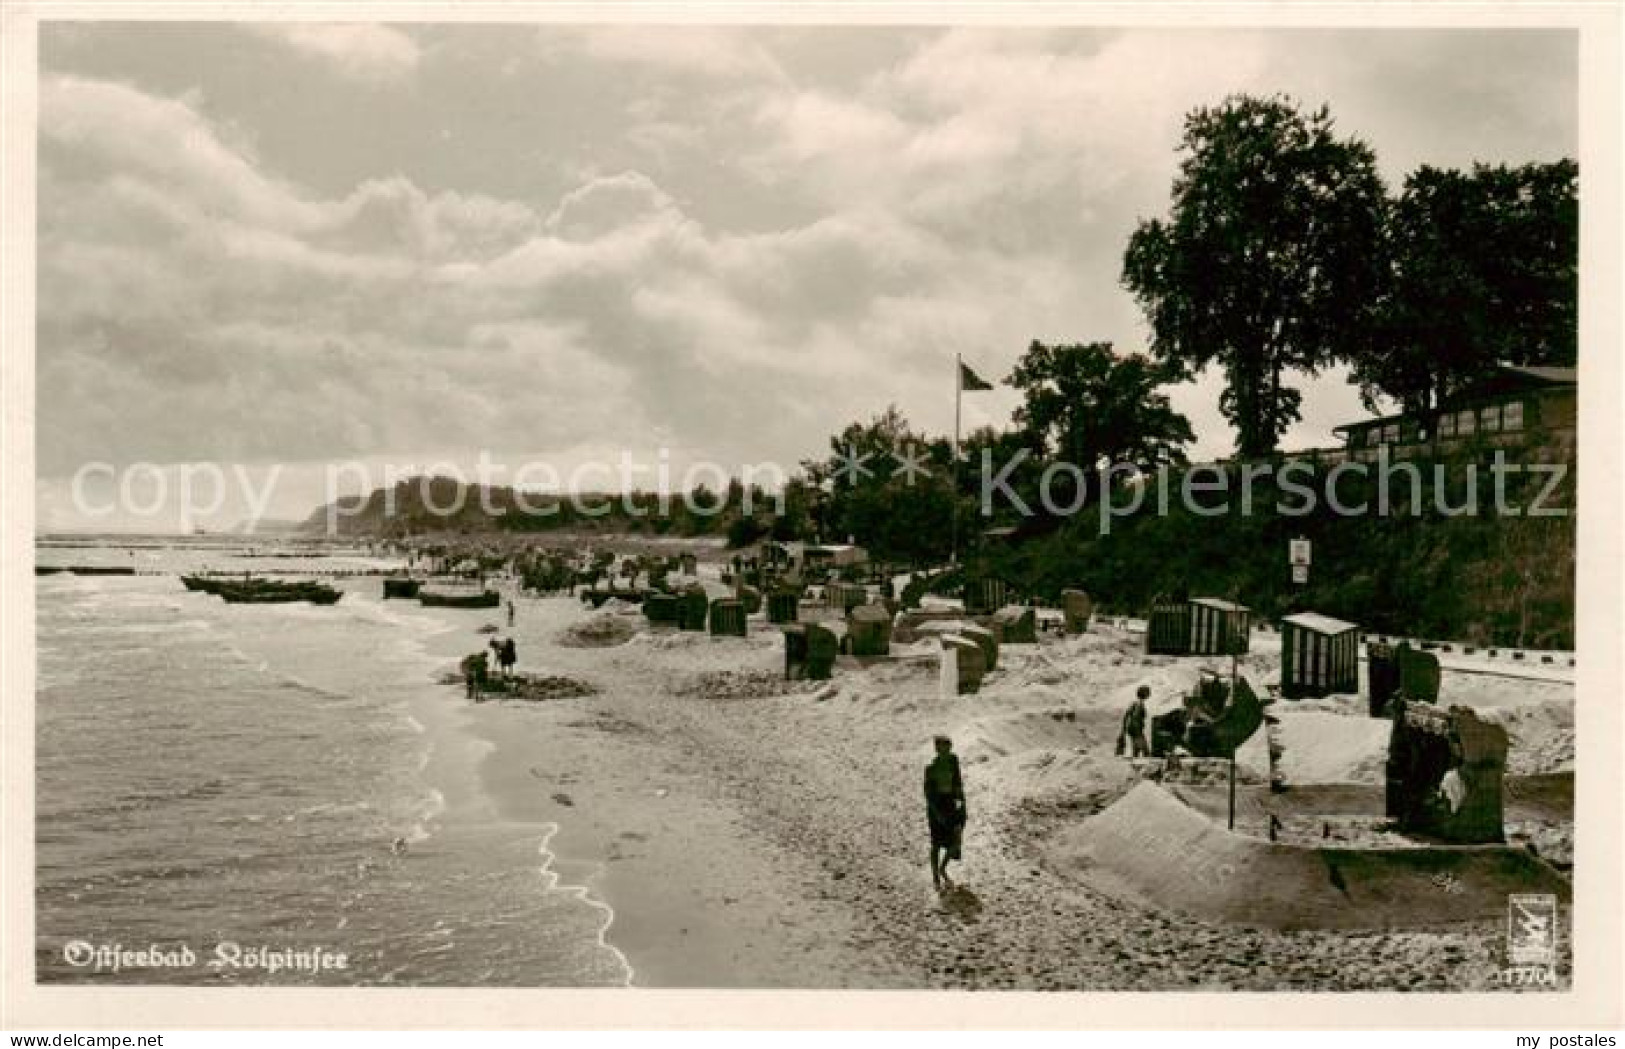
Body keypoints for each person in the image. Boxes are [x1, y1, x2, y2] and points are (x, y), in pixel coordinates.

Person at [923, 736, 967, 890]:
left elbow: (958, 782)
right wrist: (937, 814)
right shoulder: (930, 768)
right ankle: (936, 875)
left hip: (950, 803)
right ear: (937, 749)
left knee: (955, 841)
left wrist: (962, 803)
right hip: (937, 806)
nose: (946, 750)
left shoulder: (953, 761)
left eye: (948, 747)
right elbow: (928, 795)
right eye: (942, 747)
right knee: (936, 843)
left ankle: (942, 868)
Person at [1121, 686, 1151, 758]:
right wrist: (1137, 731)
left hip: (1133, 729)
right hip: (1136, 729)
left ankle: (1135, 763)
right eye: (1148, 693)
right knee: (1145, 750)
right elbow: (1135, 717)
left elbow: (1127, 715)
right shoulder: (1139, 704)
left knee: (1137, 749)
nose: (1149, 695)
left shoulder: (1135, 703)